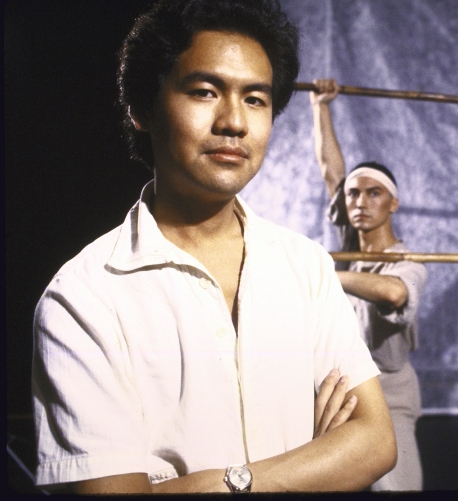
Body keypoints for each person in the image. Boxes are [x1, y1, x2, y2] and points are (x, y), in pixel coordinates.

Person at [31, 0, 396, 494]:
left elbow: (374, 443)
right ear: (142, 108)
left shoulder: (305, 265)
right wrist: (313, 463)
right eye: (204, 91)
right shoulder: (83, 298)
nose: (234, 122)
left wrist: (202, 484)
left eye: (255, 99)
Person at [310, 79, 427, 491]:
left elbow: (395, 293)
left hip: (390, 391)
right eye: (354, 195)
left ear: (392, 202)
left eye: (373, 194)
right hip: (340, 390)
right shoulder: (347, 241)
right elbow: (332, 173)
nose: (360, 202)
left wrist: (325, 273)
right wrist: (320, 106)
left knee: (400, 490)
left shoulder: (407, 261)